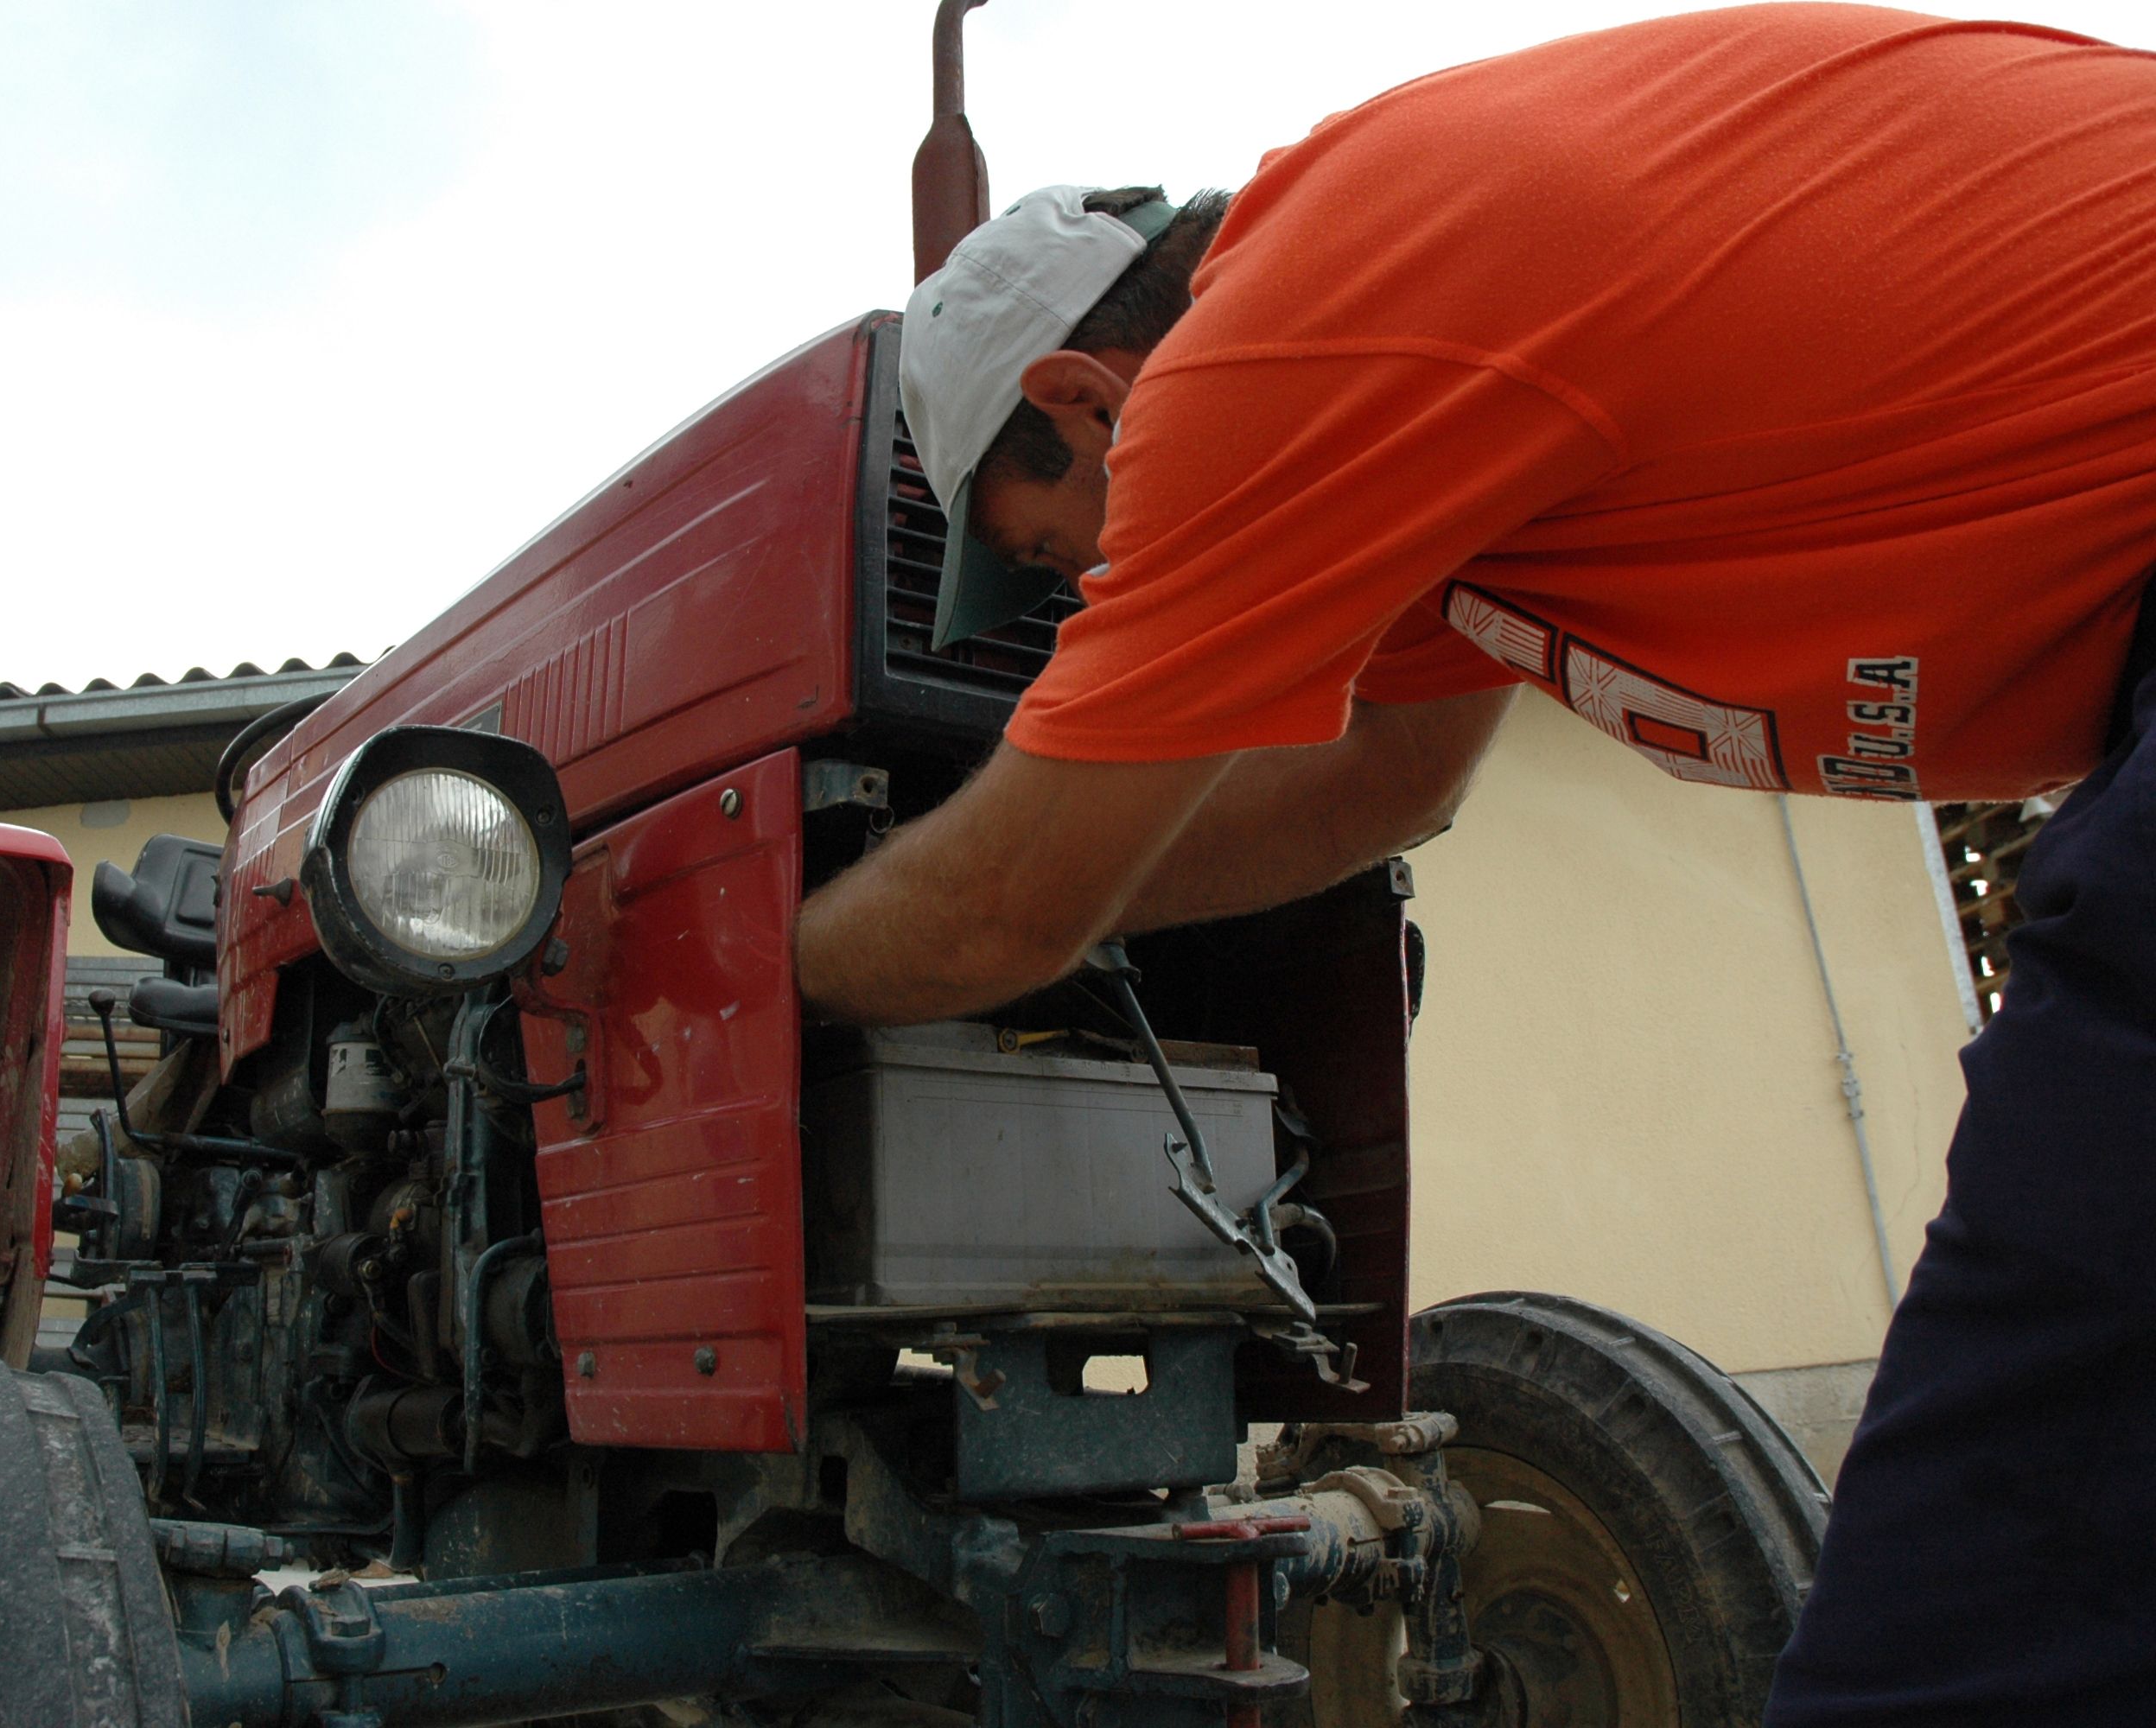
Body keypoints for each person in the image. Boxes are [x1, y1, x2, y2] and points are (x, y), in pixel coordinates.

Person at [792, 5, 2156, 1723]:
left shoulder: (1267, 343)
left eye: (1053, 554)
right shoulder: (1434, 465)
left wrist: (760, 965)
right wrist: (1061, 874)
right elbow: (1369, 793)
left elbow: (1005, 900)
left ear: (1082, 396)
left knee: (1976, 1604)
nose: (1077, 603)